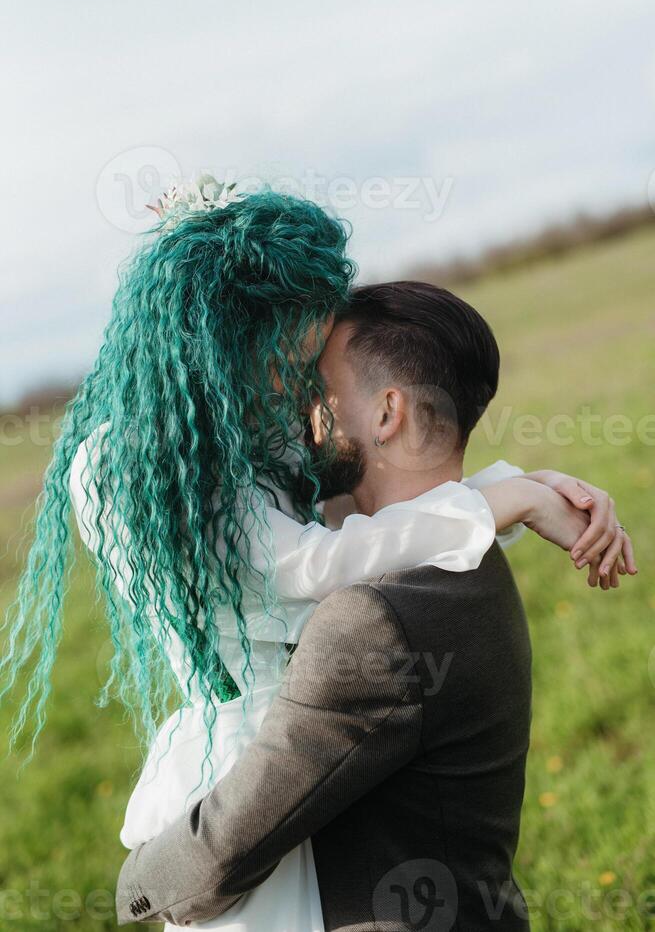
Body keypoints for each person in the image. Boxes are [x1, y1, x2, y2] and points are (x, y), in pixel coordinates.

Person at [115, 280, 635, 931]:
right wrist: (515, 488)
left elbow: (216, 859)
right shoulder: (467, 563)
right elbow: (393, 532)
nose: (299, 415)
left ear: (387, 413)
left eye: (318, 389)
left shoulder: (371, 621)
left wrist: (133, 881)